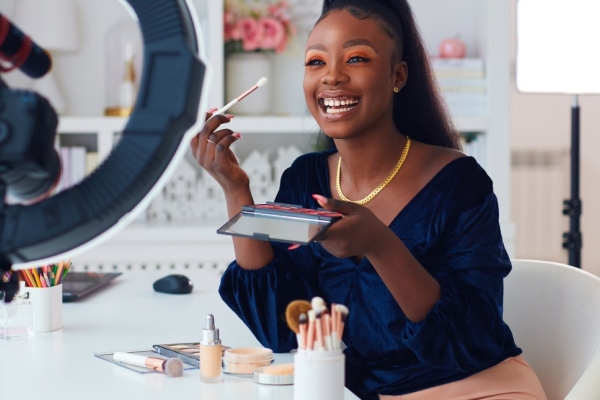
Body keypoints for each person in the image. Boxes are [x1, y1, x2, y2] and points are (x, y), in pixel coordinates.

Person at [191, 0, 547, 398]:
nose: (332, 77)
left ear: (397, 75)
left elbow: (470, 338)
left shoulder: (459, 184)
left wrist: (379, 244)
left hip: (476, 388)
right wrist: (236, 189)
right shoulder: (305, 177)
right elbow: (281, 328)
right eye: (315, 62)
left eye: (356, 58)